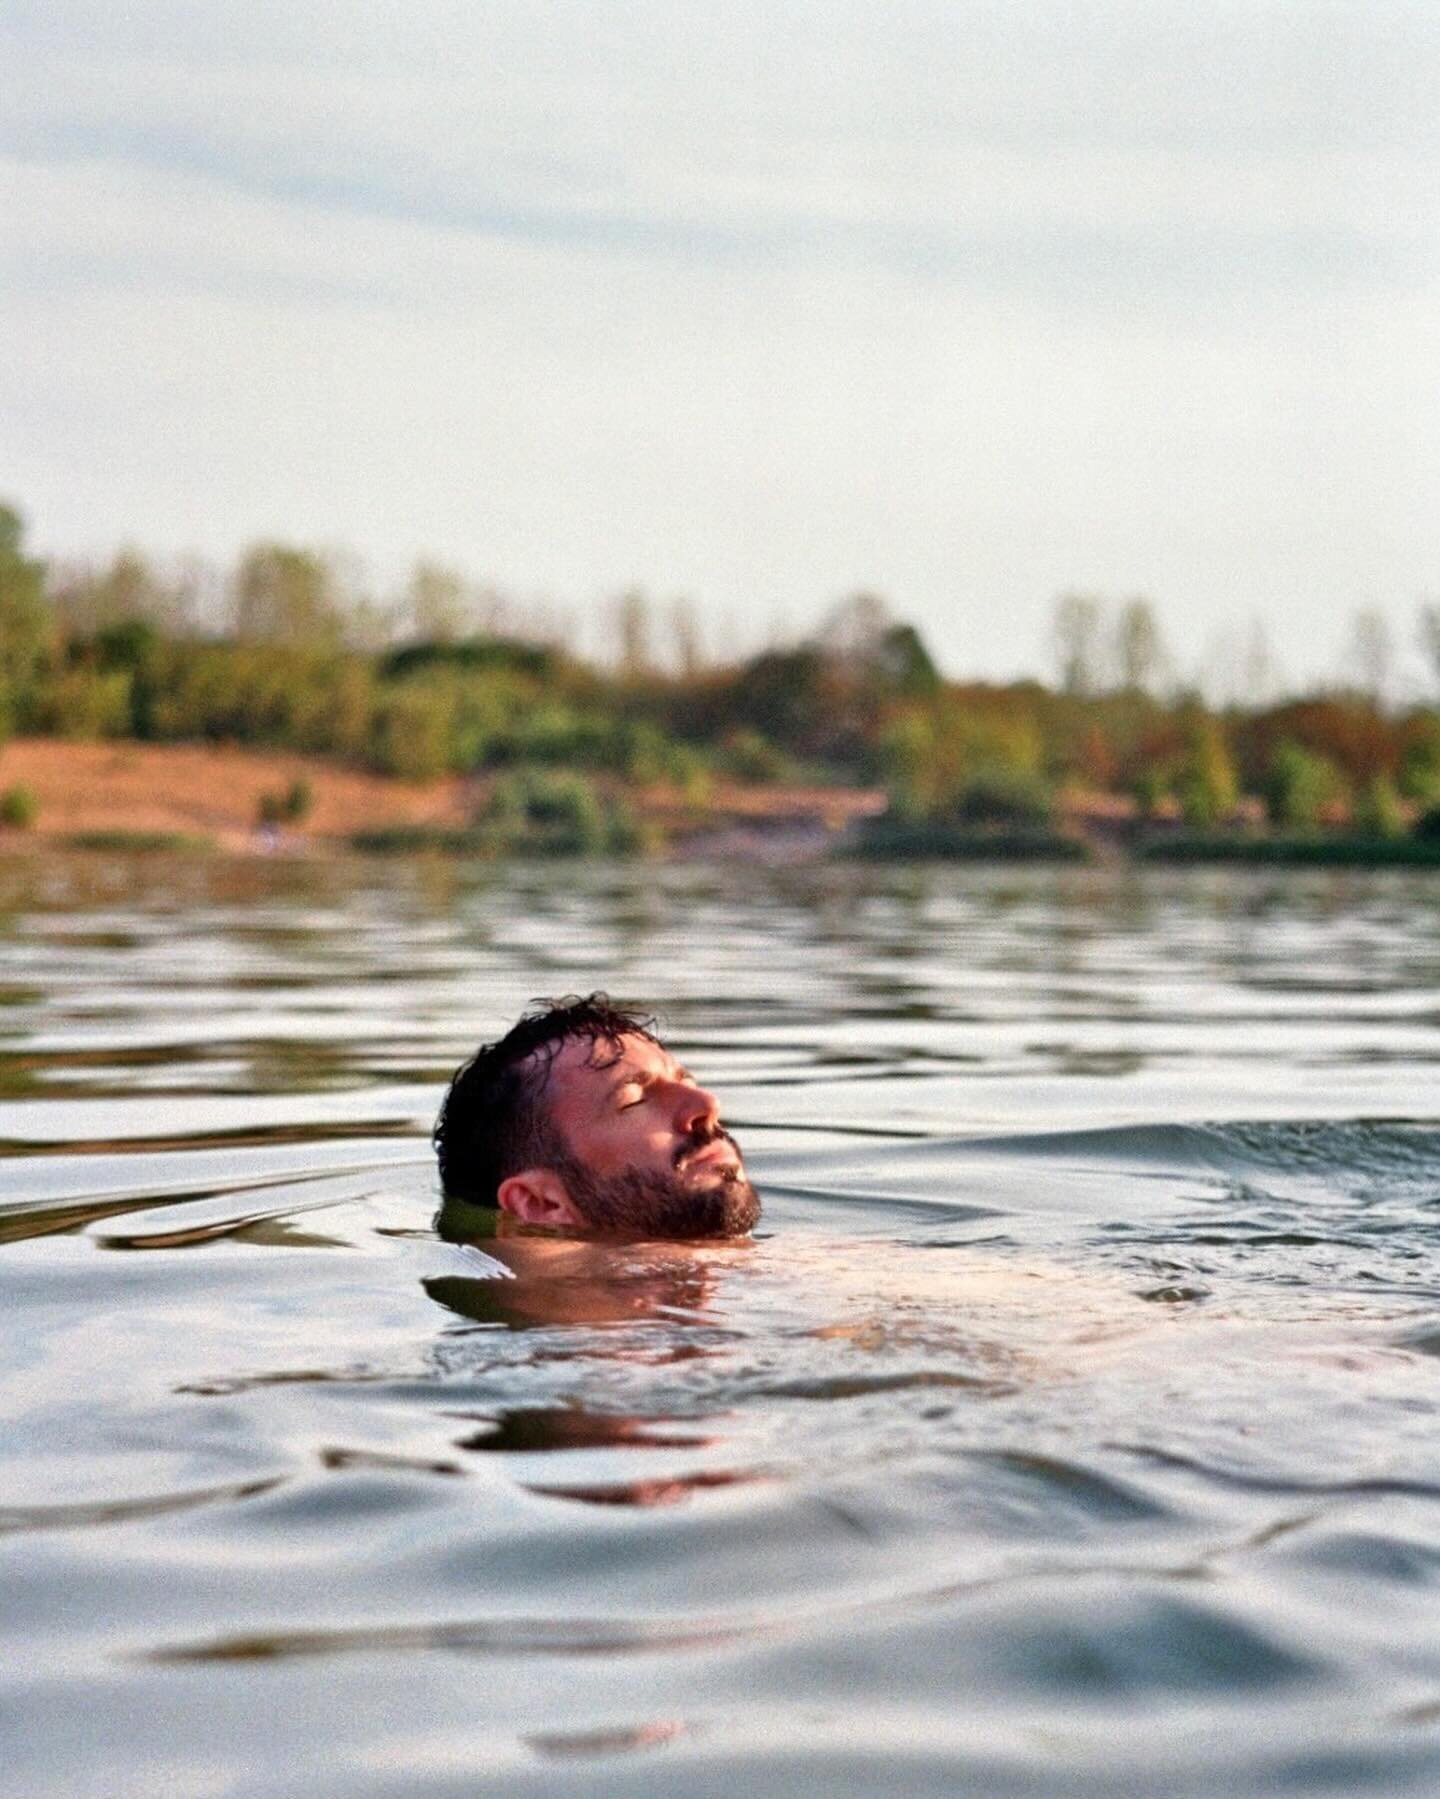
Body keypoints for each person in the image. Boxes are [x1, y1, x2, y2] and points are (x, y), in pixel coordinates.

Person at [433, 993, 761, 1241]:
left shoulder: (795, 1260)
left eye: (687, 1082)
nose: (707, 1104)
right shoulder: (561, 1297)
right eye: (634, 1100)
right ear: (541, 1204)